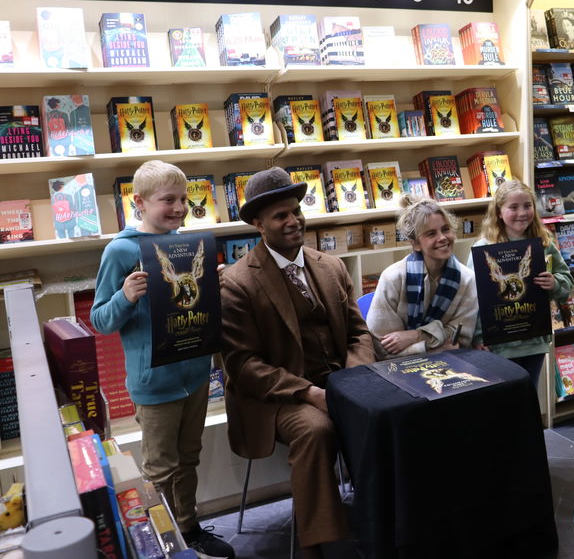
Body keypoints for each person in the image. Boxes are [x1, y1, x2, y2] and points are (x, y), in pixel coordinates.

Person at [219, 167, 377, 559]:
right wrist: (309, 392)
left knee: (390, 412)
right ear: (258, 224)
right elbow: (243, 365)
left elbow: (359, 334)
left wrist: (355, 379)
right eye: (280, 216)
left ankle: (386, 519)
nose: (293, 221)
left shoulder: (331, 265)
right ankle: (313, 547)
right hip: (278, 399)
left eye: (296, 211)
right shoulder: (237, 282)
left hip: (341, 382)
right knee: (317, 430)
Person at [91, 161, 234, 559]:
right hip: (154, 383)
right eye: (167, 200)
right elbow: (100, 320)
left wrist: (212, 287)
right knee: (159, 469)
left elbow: (189, 308)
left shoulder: (187, 246)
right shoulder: (121, 250)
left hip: (196, 375)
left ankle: (188, 529)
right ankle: (161, 540)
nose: (179, 208)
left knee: (189, 458)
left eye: (184, 199)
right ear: (138, 202)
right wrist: (126, 295)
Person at [471, 180, 573, 386]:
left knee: (528, 397)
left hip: (534, 341)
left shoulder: (544, 244)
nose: (522, 212)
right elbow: (472, 298)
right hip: (498, 345)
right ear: (499, 212)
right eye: (513, 207)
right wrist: (477, 337)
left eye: (527, 205)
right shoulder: (483, 249)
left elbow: (567, 282)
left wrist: (554, 283)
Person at [366, 196, 478, 356]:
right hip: (396, 369)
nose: (442, 238)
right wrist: (434, 348)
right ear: (416, 244)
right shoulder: (392, 278)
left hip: (450, 363)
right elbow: (381, 347)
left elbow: (460, 339)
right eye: (431, 234)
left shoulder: (467, 279)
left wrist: (415, 336)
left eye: (446, 229)